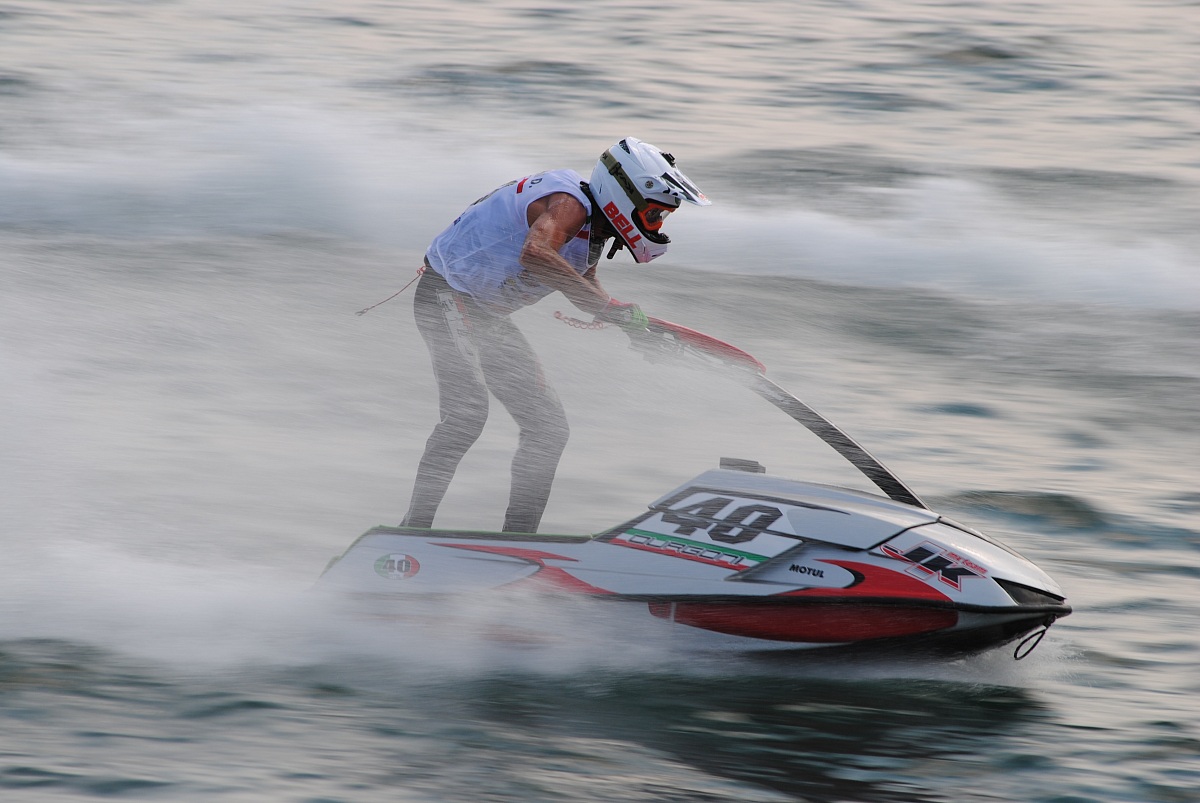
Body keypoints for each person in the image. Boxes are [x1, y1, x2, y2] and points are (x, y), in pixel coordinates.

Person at [401, 137, 710, 533]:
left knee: (548, 428)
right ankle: (413, 532)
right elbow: (536, 255)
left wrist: (636, 329)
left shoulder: (595, 231)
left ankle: (519, 541)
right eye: (653, 215)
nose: (657, 226)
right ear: (624, 195)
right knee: (467, 416)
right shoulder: (569, 203)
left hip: (485, 317)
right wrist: (610, 309)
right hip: (445, 296)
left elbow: (584, 285)